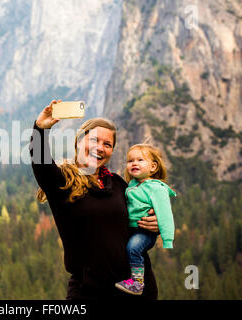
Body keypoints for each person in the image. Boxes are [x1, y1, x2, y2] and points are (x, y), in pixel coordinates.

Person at [29, 100, 160, 300]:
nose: (100, 148)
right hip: (90, 292)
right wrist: (40, 129)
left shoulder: (118, 185)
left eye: (107, 144)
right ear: (79, 141)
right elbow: (41, 163)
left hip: (138, 290)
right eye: (94, 140)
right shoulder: (63, 182)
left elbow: (137, 228)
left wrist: (153, 225)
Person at [115, 144, 176, 295]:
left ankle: (137, 283)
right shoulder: (132, 186)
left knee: (133, 248)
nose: (134, 163)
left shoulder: (156, 188)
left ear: (153, 167)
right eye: (130, 161)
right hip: (133, 230)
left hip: (145, 232)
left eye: (140, 160)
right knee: (130, 247)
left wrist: (167, 239)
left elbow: (165, 215)